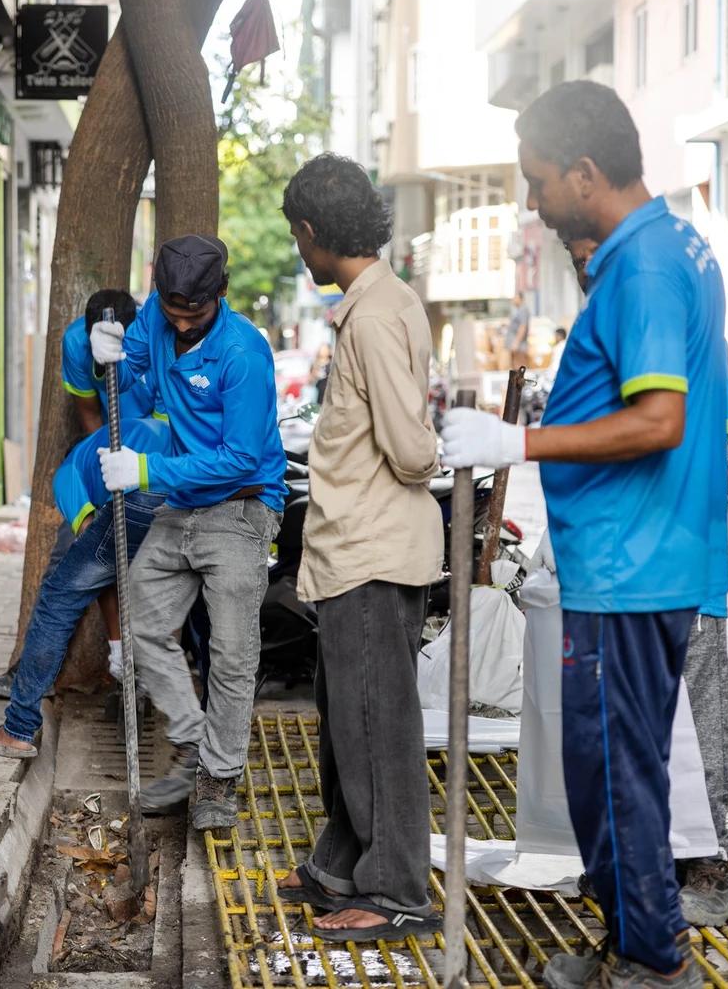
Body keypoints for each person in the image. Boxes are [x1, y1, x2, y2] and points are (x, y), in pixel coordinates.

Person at [441, 81, 728, 988]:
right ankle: (630, 942)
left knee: (615, 777)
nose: (531, 202)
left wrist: (515, 441)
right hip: (641, 555)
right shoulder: (669, 241)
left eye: (537, 183)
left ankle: (651, 963)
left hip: (630, 564)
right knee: (611, 765)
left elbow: (657, 422)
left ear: (585, 173)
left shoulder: (645, 266)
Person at [271, 153, 444, 940]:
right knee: (350, 718)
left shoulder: (372, 315)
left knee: (377, 725)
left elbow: (411, 450)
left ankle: (397, 889)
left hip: (374, 549)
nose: (301, 255)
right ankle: (340, 864)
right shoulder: (379, 302)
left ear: (311, 232)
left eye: (298, 240)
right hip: (356, 549)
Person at [563, 237, 728, 929]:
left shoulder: (670, 325)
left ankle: (710, 867)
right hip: (636, 573)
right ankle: (649, 869)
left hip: (677, 573)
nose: (586, 273)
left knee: (694, 722)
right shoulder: (649, 320)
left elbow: (680, 453)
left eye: (588, 257)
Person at [91, 234, 287, 830]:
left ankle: (217, 780)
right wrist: (109, 361)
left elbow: (240, 458)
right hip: (182, 505)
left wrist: (146, 469)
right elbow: (139, 381)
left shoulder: (243, 354)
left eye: (193, 314)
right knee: (142, 625)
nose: (179, 323)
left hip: (239, 508)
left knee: (231, 654)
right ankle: (196, 744)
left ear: (219, 295)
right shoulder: (155, 316)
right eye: (171, 311)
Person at [0, 289, 147, 697]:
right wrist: (107, 467)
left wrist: (145, 473)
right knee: (80, 553)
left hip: (160, 463)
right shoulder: (75, 342)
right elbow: (89, 414)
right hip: (109, 456)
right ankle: (39, 678)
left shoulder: (154, 340)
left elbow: (169, 422)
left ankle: (152, 676)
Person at [0, 415, 172, 758]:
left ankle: (18, 728)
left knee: (57, 601)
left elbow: (96, 558)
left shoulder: (68, 471)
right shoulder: (139, 429)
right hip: (191, 486)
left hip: (142, 495)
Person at [506, 291, 532, 369]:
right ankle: (516, 380)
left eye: (515, 298)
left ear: (520, 299)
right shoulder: (517, 309)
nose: (513, 300)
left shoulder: (523, 309)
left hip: (519, 343)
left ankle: (520, 380)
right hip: (515, 341)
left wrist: (516, 342)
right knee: (515, 364)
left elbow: (523, 327)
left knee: (519, 364)